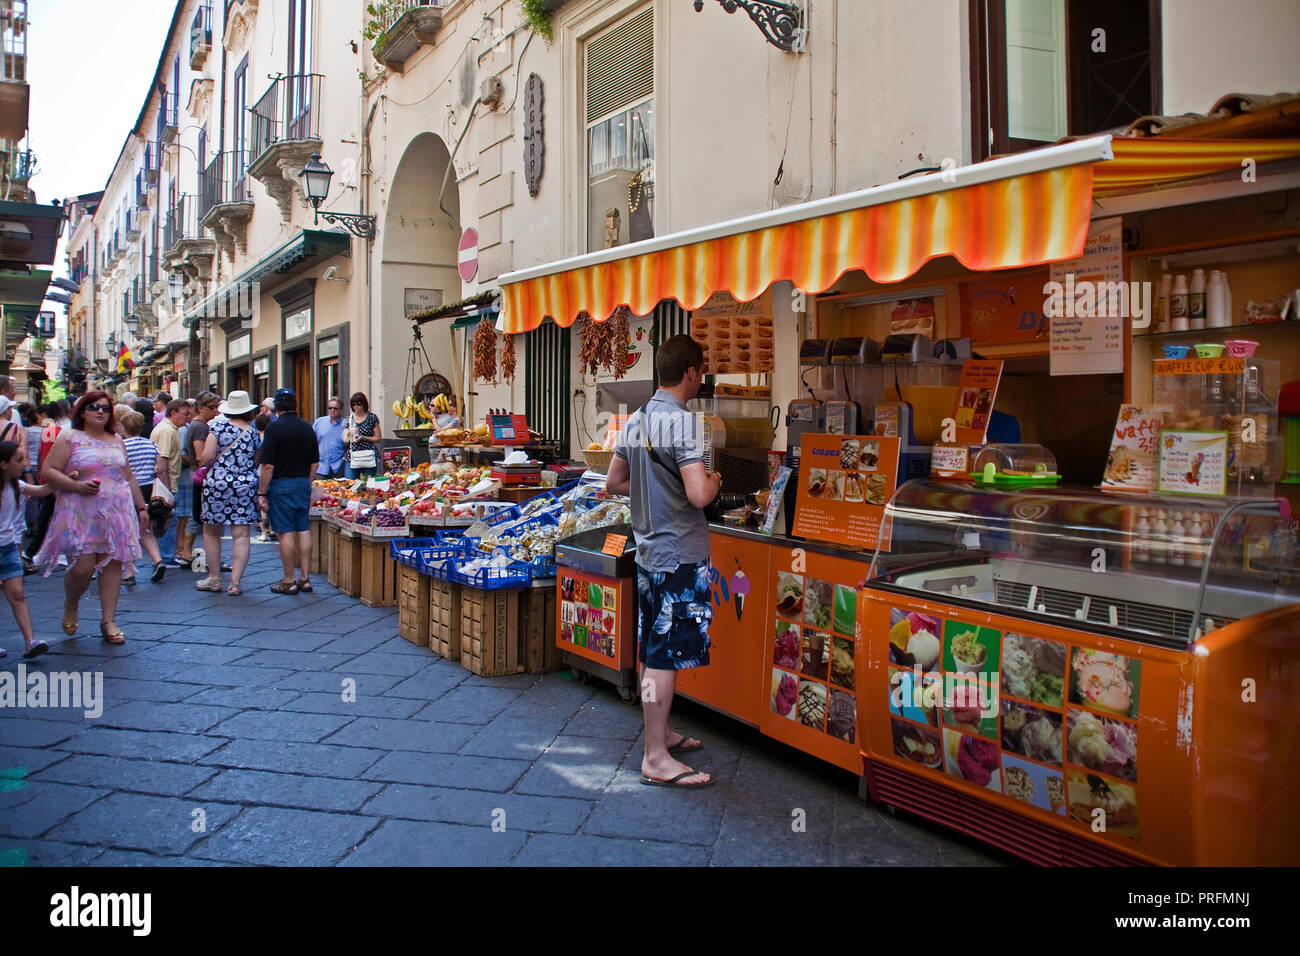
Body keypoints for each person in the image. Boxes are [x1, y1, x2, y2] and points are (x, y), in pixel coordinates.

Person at [606, 335, 722, 789]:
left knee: (654, 650)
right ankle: (654, 756)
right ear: (691, 372)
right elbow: (698, 495)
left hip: (650, 554)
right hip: (680, 558)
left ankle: (661, 734)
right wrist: (713, 478)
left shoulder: (636, 420)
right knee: (664, 658)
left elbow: (613, 482)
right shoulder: (686, 425)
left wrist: (647, 492)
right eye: (702, 370)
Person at [34, 391, 149, 644]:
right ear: (82, 411)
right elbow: (48, 471)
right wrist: (74, 485)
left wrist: (142, 507)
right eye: (94, 407)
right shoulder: (70, 437)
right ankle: (72, 603)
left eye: (106, 408)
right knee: (83, 568)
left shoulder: (116, 439)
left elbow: (128, 476)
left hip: (117, 511)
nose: (100, 411)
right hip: (82, 510)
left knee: (113, 564)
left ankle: (109, 620)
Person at [197, 390, 261, 595]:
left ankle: (214, 578)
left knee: (211, 531)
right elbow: (256, 459)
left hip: (218, 484)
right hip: (245, 485)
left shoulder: (216, 426)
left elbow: (206, 457)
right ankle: (235, 583)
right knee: (241, 534)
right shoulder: (252, 432)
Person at [258, 388, 319, 594]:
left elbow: (268, 466)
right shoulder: (306, 427)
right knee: (303, 530)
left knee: (285, 532)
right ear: (295, 404)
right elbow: (314, 463)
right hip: (302, 483)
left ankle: (288, 579)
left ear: (276, 407)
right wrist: (307, 483)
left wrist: (261, 492)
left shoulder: (274, 430)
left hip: (281, 484)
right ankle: (305, 578)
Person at [0, 440, 54, 660]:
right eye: (19, 460)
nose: (24, 464)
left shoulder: (17, 486)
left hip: (9, 547)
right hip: (7, 546)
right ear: (3, 464)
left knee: (18, 595)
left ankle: (30, 641)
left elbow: (43, 490)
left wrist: (65, 478)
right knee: (16, 595)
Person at [119, 409, 168, 584]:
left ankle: (129, 572)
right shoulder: (151, 444)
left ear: (123, 427)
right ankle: (158, 561)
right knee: (145, 528)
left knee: (126, 530)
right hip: (149, 488)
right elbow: (161, 468)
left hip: (130, 490)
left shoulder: (122, 446)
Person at [177, 391, 219, 567]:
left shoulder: (197, 425)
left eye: (217, 407)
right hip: (200, 475)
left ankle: (187, 552)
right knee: (198, 514)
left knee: (197, 514)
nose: (216, 411)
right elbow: (201, 456)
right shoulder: (200, 427)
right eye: (212, 407)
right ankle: (187, 552)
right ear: (201, 408)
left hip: (195, 474)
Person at [149, 399, 186, 562]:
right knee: (167, 520)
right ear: (174, 413)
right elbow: (162, 459)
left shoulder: (169, 429)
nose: (187, 417)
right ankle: (166, 556)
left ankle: (165, 555)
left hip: (168, 481)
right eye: (185, 414)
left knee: (166, 520)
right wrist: (167, 486)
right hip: (168, 483)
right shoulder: (167, 431)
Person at [343, 392, 381, 480]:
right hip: (353, 456)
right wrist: (349, 431)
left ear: (364, 404)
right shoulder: (349, 419)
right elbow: (345, 440)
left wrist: (363, 437)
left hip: (368, 455)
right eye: (353, 405)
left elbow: (378, 438)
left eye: (359, 404)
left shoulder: (372, 417)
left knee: (367, 485)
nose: (356, 407)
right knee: (350, 484)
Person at [313, 396, 346, 479]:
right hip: (320, 467)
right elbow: (312, 442)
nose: (332, 410)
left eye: (335, 408)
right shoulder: (319, 422)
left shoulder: (346, 424)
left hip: (338, 466)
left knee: (337, 491)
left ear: (341, 409)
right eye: (330, 408)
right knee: (319, 491)